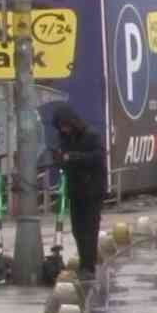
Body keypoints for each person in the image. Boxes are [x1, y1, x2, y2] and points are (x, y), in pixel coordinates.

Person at [49, 106, 107, 279]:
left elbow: (98, 156)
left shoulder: (91, 135)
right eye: (60, 127)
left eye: (65, 125)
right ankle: (84, 261)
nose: (63, 129)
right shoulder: (63, 138)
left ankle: (88, 266)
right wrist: (59, 158)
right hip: (75, 189)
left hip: (92, 189)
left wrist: (74, 157)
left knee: (90, 228)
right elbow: (63, 159)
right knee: (77, 229)